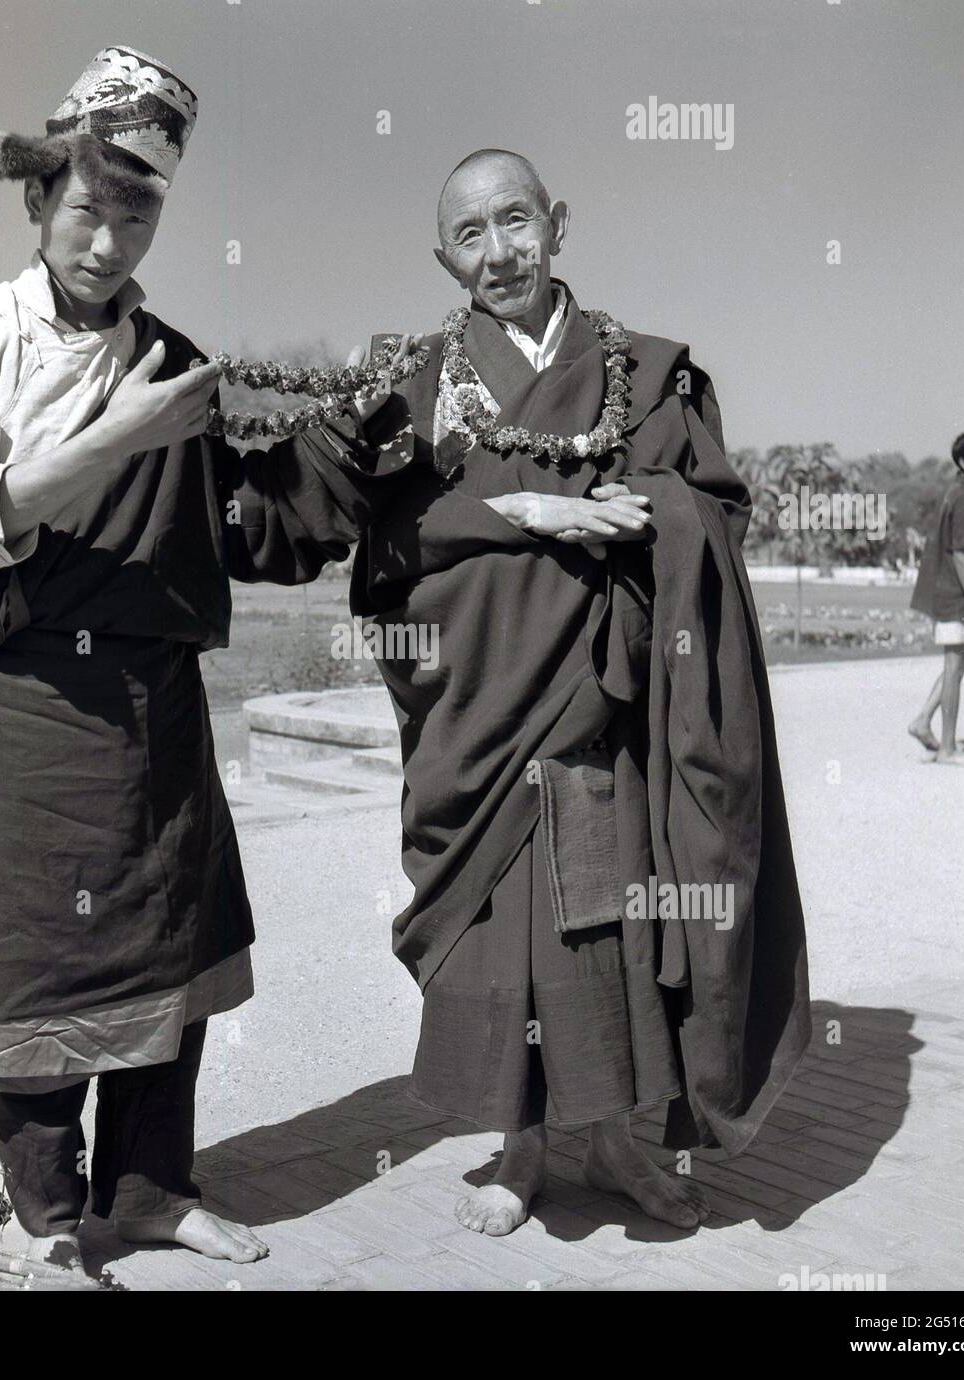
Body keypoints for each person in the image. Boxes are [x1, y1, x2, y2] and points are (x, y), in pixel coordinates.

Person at [0, 46, 407, 1268]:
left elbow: (248, 533)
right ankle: (54, 1222)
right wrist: (116, 436)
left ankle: (154, 1192)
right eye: (86, 211)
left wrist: (348, 436)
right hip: (20, 704)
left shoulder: (174, 365)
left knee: (162, 956)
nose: (108, 243)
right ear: (37, 201)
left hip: (153, 707)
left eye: (138, 213)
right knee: (42, 971)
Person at [227, 148, 812, 1237]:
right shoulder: (409, 384)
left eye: (515, 222)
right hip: (474, 715)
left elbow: (714, 512)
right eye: (469, 234)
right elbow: (310, 511)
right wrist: (183, 459)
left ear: (557, 223)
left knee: (604, 930)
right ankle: (523, 1147)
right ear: (442, 256)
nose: (497, 253)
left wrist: (649, 508)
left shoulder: (647, 371)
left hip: (605, 710)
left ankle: (614, 1138)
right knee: (502, 938)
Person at [908, 431, 964, 764]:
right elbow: (960, 555)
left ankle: (922, 721)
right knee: (955, 663)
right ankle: (947, 748)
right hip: (956, 597)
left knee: (963, 661)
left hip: (951, 593)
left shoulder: (963, 493)